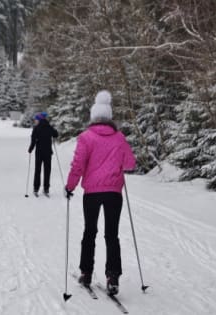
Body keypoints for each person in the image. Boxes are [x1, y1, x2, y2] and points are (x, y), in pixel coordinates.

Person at [65, 90, 136, 295]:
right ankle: (113, 277)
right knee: (111, 234)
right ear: (110, 117)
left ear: (94, 117)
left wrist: (70, 186)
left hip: (92, 193)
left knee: (90, 232)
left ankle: (86, 272)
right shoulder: (120, 138)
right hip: (114, 192)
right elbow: (130, 164)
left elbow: (78, 165)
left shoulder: (86, 137)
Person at [28, 111, 59, 197]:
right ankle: (46, 188)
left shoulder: (36, 128)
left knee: (38, 170)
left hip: (39, 153)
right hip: (48, 152)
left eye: (36, 119)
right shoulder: (49, 127)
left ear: (39, 120)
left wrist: (30, 149)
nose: (35, 121)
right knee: (47, 171)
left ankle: (36, 188)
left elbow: (33, 140)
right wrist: (54, 130)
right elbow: (56, 135)